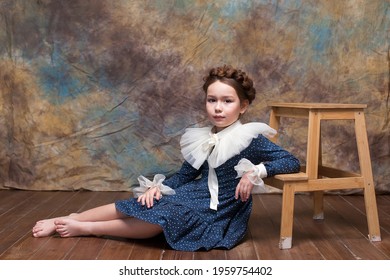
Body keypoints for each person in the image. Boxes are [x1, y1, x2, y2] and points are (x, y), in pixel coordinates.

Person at [32, 65, 300, 251]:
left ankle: (86, 228)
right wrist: (158, 186)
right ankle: (71, 217)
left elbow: (291, 162)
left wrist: (256, 172)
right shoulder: (204, 136)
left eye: (227, 101)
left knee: (164, 216)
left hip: (220, 208)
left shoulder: (250, 137)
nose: (218, 107)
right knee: (147, 201)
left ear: (242, 106)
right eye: (212, 100)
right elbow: (185, 175)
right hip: (195, 192)